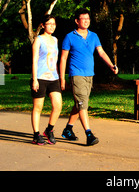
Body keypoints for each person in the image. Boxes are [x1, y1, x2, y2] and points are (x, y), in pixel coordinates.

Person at [60, 8, 118, 146]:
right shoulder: (70, 37)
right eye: (83, 19)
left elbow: (101, 52)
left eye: (88, 19)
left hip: (89, 75)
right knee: (82, 104)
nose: (86, 21)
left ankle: (68, 129)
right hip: (76, 74)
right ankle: (89, 134)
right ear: (76, 21)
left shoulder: (94, 36)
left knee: (80, 103)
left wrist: (111, 65)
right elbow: (63, 59)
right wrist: (62, 78)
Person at [31, 14, 62, 145]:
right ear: (43, 25)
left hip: (54, 78)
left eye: (54, 24)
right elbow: (34, 60)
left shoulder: (55, 40)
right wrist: (34, 79)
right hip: (40, 77)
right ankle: (36, 134)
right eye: (49, 24)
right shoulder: (38, 40)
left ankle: (49, 130)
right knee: (38, 107)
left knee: (58, 105)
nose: (52, 26)